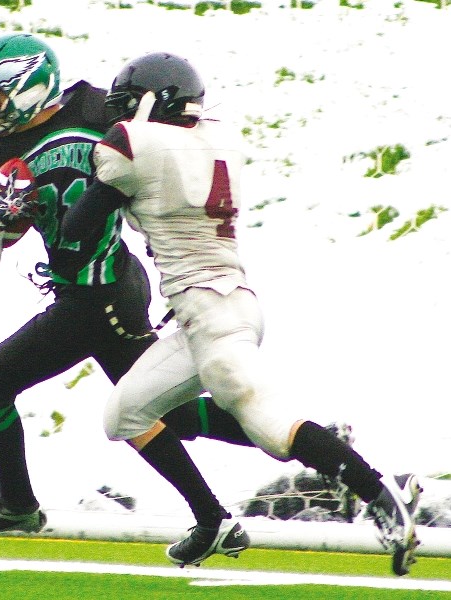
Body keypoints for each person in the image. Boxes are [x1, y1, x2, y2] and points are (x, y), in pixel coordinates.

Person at [62, 51, 422, 575]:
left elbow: (76, 229)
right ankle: (211, 521)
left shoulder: (135, 146)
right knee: (124, 415)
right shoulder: (212, 135)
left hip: (212, 317)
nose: (116, 116)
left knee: (271, 427)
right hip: (222, 308)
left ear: (148, 104)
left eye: (124, 105)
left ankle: (382, 492)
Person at [0, 33, 266, 560]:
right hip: (97, 289)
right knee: (172, 415)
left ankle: (17, 505)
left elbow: (171, 143)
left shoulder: (99, 111)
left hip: (100, 295)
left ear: (28, 88)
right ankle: (301, 448)